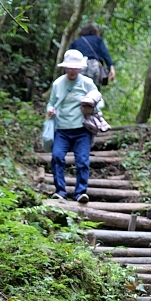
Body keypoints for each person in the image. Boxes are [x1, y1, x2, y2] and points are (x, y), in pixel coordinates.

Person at [47, 49, 104, 203]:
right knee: (57, 157)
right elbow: (51, 103)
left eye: (75, 67)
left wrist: (90, 106)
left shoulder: (87, 83)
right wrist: (50, 110)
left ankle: (80, 193)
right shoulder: (58, 84)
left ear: (80, 68)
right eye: (69, 67)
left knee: (82, 161)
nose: (72, 70)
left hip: (82, 129)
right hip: (62, 129)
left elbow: (100, 102)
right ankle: (60, 191)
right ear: (65, 67)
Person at [70, 23, 115, 89]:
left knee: (79, 89)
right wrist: (111, 68)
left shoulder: (76, 42)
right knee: (94, 90)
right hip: (94, 66)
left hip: (80, 66)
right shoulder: (98, 40)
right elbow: (105, 54)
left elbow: (69, 56)